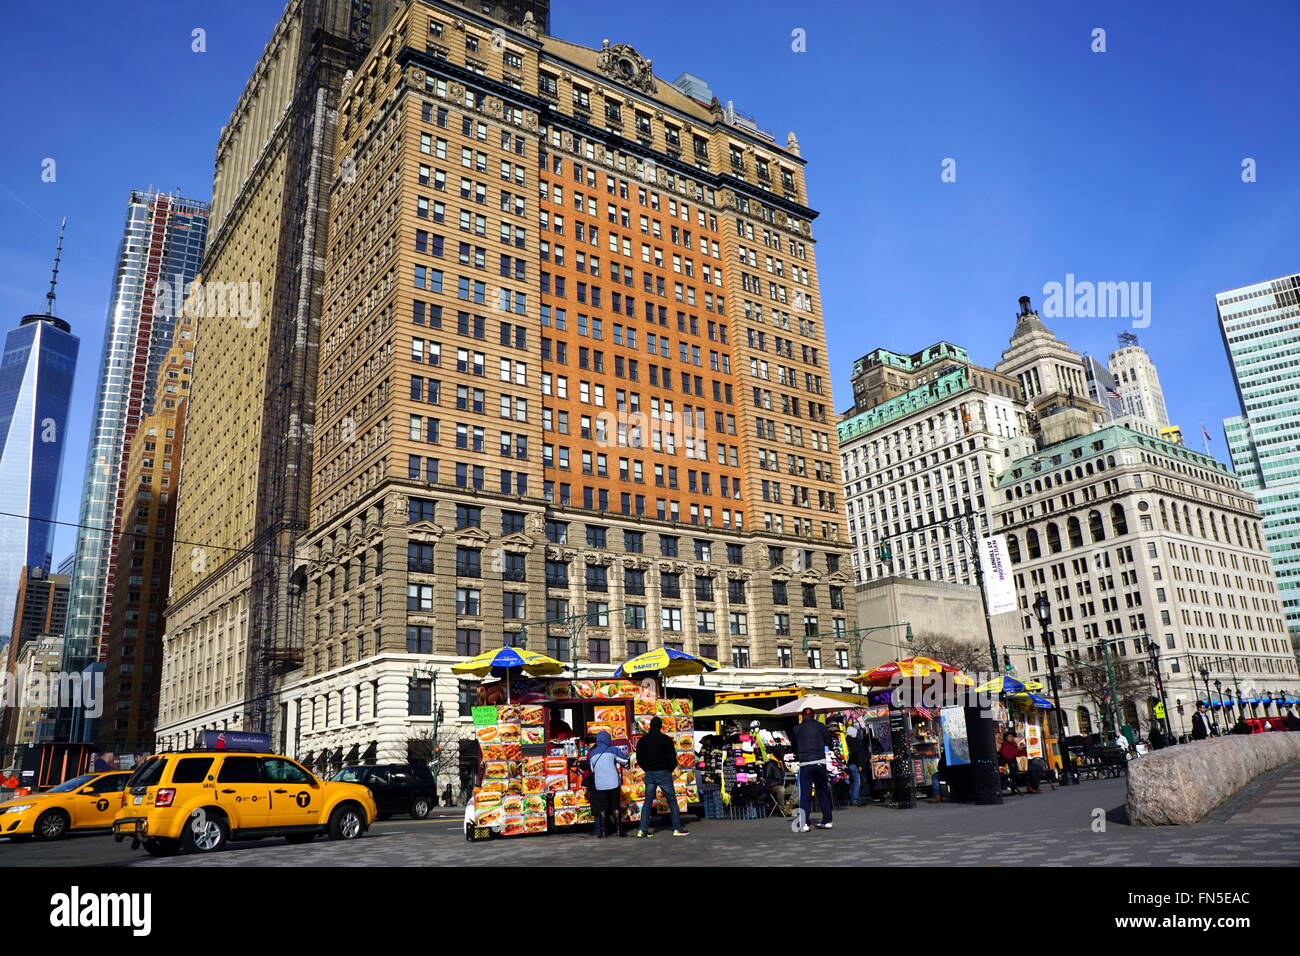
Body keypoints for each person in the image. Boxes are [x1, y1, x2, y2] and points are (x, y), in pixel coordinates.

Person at [634, 716, 688, 837]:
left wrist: (646, 769)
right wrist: (669, 770)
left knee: (647, 801)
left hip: (649, 773)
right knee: (672, 800)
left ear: (650, 726)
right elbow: (672, 758)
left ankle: (642, 830)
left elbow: (639, 759)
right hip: (664, 772)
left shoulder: (643, 740)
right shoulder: (666, 740)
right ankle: (677, 828)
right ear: (661, 726)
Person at [790, 708, 834, 830]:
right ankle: (827, 820)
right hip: (820, 762)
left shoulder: (797, 729)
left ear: (802, 716)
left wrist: (798, 752)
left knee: (805, 794)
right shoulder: (821, 726)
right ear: (814, 716)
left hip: (805, 763)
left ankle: (804, 823)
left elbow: (794, 746)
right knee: (823, 792)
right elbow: (828, 742)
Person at [587, 731, 628, 838]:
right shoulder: (613, 750)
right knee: (615, 806)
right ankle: (619, 830)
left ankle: (604, 832)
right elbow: (624, 760)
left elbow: (592, 769)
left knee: (603, 808)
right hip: (614, 782)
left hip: (600, 783)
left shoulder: (592, 753)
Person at [696, 736, 725, 820]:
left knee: (711, 796)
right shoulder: (714, 748)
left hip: (710, 775)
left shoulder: (709, 748)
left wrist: (703, 773)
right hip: (710, 775)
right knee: (713, 796)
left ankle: (712, 815)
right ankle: (716, 815)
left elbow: (702, 761)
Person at [845, 723, 868, 806]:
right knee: (857, 782)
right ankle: (855, 800)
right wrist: (859, 765)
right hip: (854, 764)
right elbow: (856, 754)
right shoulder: (853, 741)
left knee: (852, 782)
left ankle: (852, 799)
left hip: (849, 763)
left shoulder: (845, 740)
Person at [763, 750, 789, 816]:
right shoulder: (770, 764)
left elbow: (787, 772)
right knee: (781, 790)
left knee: (796, 790)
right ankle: (782, 809)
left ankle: (789, 807)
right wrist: (778, 781)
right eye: (782, 753)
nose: (783, 755)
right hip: (774, 786)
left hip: (784, 784)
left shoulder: (781, 762)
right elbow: (768, 778)